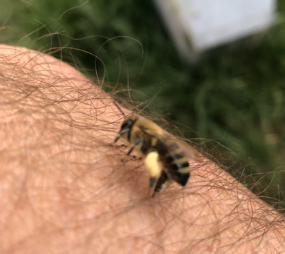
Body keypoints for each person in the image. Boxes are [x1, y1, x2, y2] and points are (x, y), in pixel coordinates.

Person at [0, 44, 284, 253]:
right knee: (153, 155)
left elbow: (147, 151)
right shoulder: (148, 134)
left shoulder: (143, 139)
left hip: (172, 162)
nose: (122, 135)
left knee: (152, 159)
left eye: (124, 133)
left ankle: (156, 185)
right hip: (176, 160)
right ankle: (161, 181)